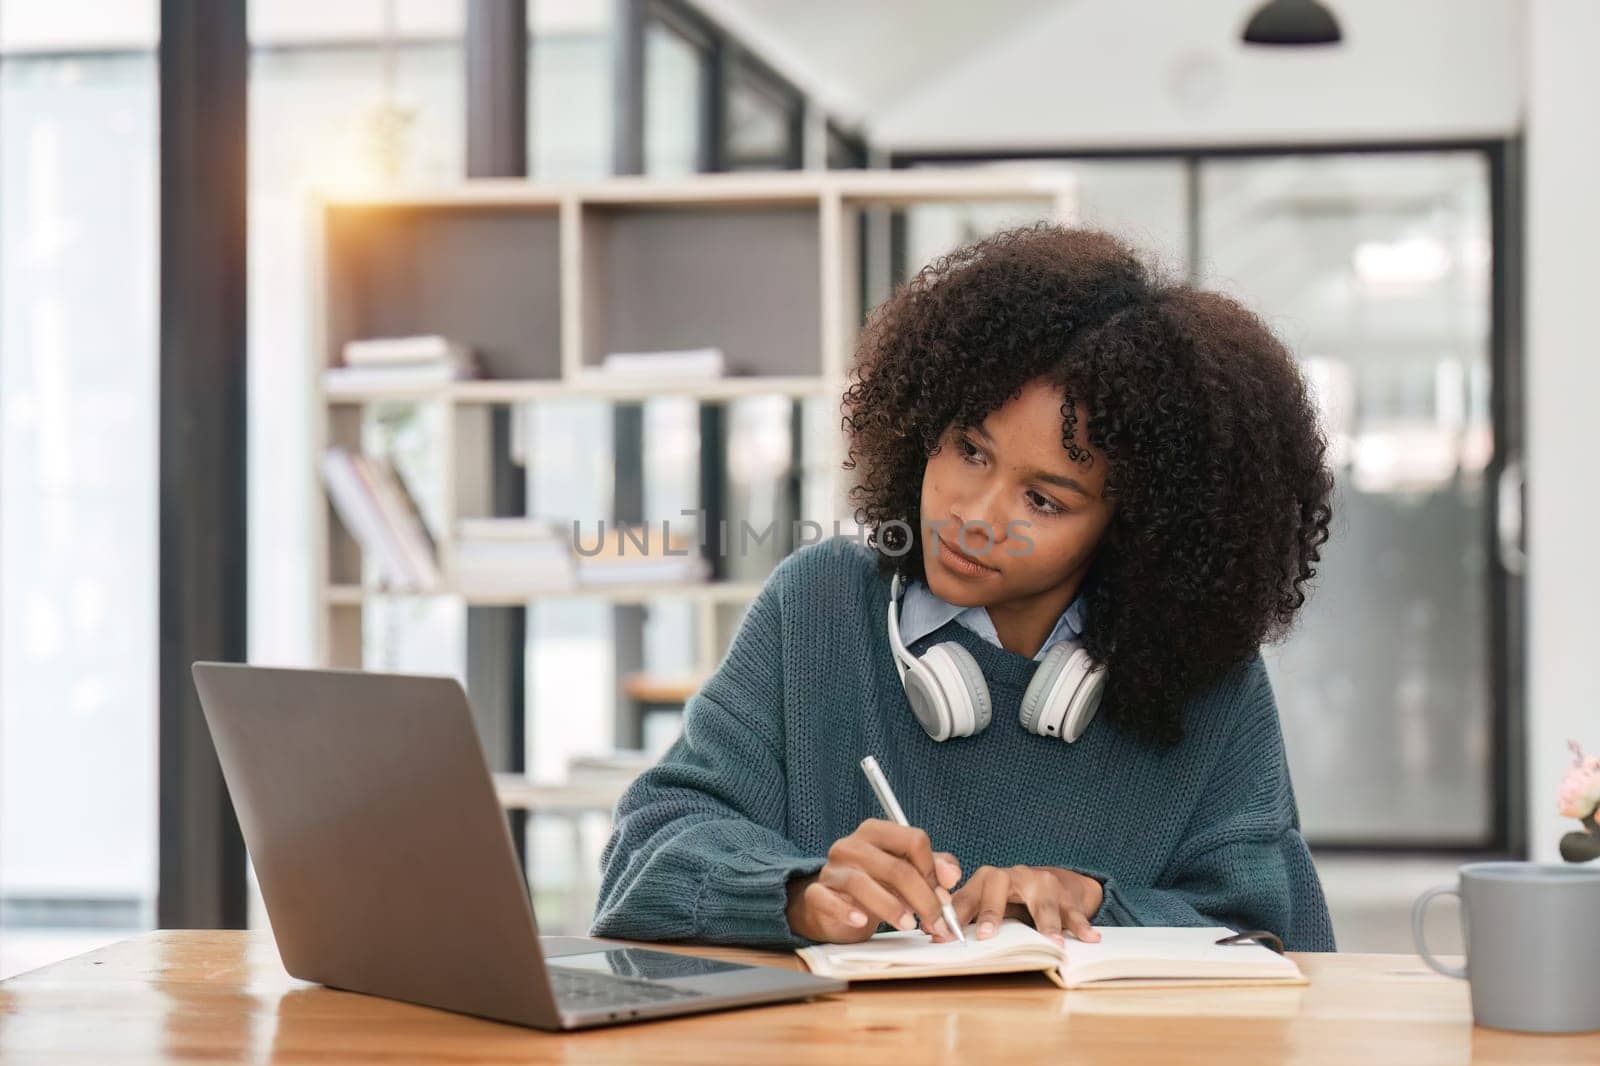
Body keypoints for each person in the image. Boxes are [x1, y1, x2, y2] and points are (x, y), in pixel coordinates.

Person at [591, 223, 1337, 952]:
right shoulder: (818, 608)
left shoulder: (1210, 673)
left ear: (1139, 528)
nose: (975, 518)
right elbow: (648, 851)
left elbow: (1278, 935)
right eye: (969, 450)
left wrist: (1100, 908)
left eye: (1044, 500)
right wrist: (795, 893)